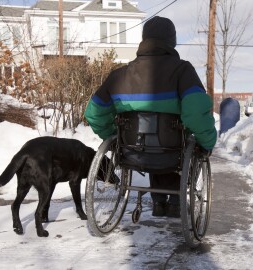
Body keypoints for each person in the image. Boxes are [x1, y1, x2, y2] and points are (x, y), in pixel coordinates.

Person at [84, 16, 217, 218]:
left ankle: (158, 202)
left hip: (132, 150)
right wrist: (207, 142)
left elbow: (94, 112)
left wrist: (112, 135)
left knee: (150, 141)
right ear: (172, 41)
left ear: (144, 39)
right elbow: (196, 112)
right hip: (173, 149)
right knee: (180, 141)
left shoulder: (119, 75)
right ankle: (174, 201)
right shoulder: (182, 71)